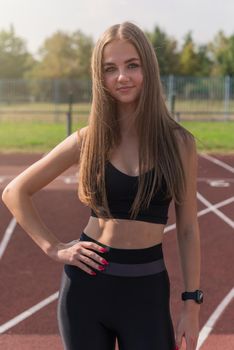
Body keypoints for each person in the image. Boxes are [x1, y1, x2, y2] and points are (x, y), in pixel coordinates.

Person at [2, 21, 202, 350]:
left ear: (148, 69)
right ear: (100, 77)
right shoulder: (89, 139)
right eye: (110, 69)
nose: (122, 77)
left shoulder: (179, 143)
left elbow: (188, 228)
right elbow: (14, 191)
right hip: (86, 290)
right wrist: (54, 248)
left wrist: (191, 305)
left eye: (132, 65)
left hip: (147, 291)